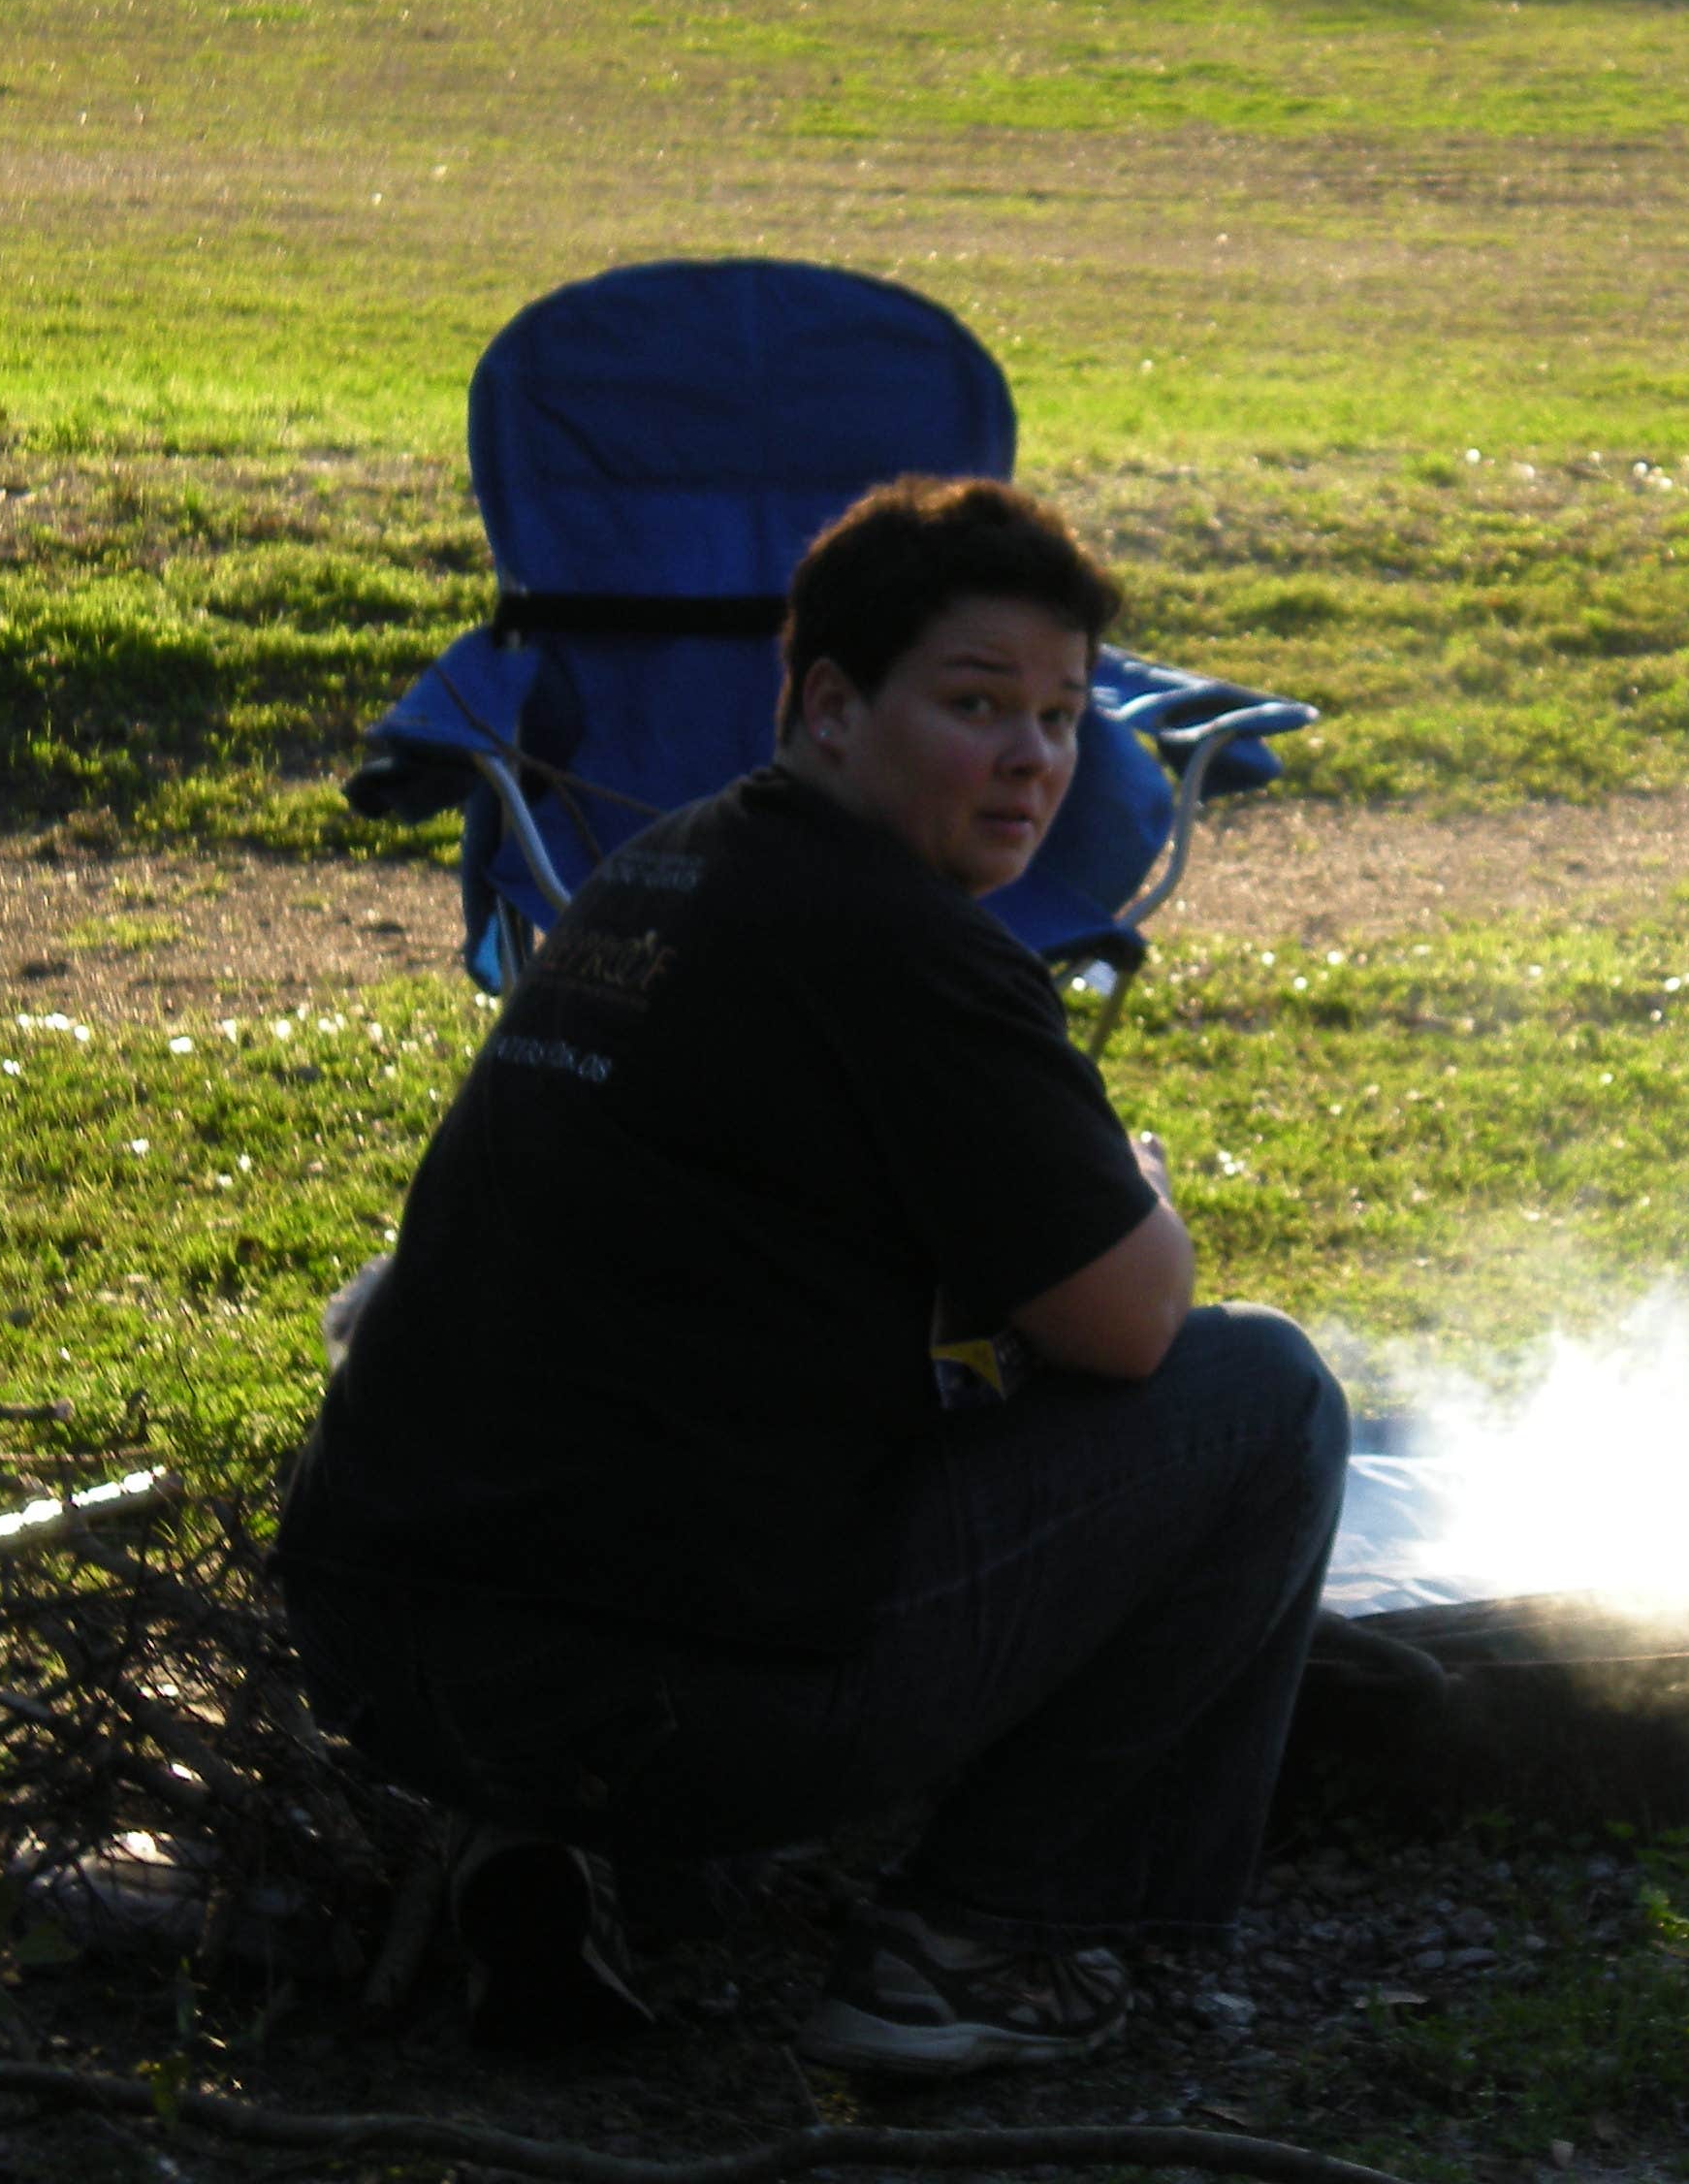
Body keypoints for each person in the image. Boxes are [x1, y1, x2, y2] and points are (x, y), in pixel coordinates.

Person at [273, 475, 1349, 2077]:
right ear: (831, 706)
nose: (1033, 760)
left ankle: (545, 1851)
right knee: (1260, 1398)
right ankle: (979, 1943)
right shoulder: (900, 944)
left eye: (1063, 716)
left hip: (386, 1660)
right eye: (977, 706)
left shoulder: (669, 867)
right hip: (621, 1703)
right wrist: (1138, 1193)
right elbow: (1130, 1324)